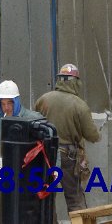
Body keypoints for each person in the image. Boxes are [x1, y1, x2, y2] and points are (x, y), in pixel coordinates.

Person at [35, 63, 100, 214]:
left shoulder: (43, 100)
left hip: (45, 154)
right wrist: (98, 134)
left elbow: (34, 124)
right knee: (74, 198)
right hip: (68, 157)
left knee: (47, 197)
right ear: (76, 82)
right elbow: (92, 135)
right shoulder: (80, 105)